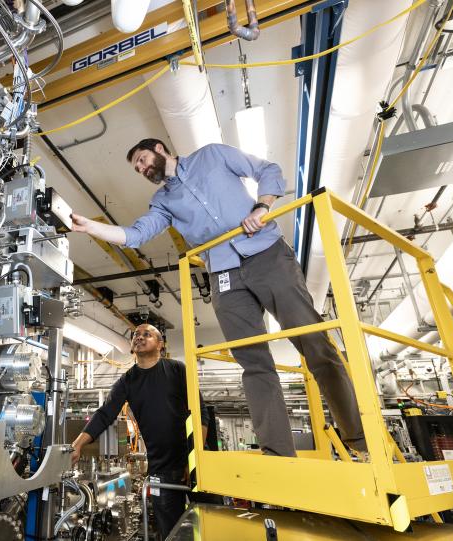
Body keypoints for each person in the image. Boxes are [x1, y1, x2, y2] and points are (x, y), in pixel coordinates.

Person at [70, 139, 366, 458]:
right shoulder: (163, 201)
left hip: (266, 253)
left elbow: (268, 170)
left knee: (314, 341)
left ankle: (359, 437)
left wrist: (262, 206)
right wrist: (92, 229)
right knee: (253, 363)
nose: (142, 168)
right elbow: (136, 234)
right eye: (137, 168)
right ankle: (278, 452)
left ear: (159, 148)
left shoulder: (211, 156)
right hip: (223, 273)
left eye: (142, 159)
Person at [70, 323, 208, 540]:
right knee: (171, 532)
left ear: (160, 344)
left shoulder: (176, 369)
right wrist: (77, 444)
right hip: (162, 468)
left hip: (193, 463)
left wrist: (196, 460)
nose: (140, 337)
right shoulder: (127, 381)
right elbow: (105, 414)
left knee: (209, 524)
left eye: (147, 334)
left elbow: (201, 413)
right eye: (136, 335)